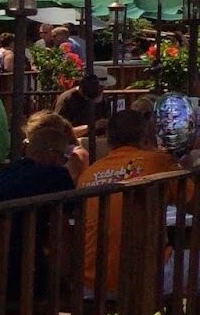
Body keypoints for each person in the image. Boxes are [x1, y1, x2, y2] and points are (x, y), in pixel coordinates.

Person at [78, 108, 184, 293]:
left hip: (92, 279)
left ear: (109, 140)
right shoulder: (156, 160)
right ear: (145, 136)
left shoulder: (88, 174)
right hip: (144, 274)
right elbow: (195, 204)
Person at [0, 112, 81, 295]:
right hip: (17, 272)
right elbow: (62, 234)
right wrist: (69, 279)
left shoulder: (3, 174)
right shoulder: (56, 175)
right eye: (64, 157)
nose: (64, 162)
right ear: (53, 154)